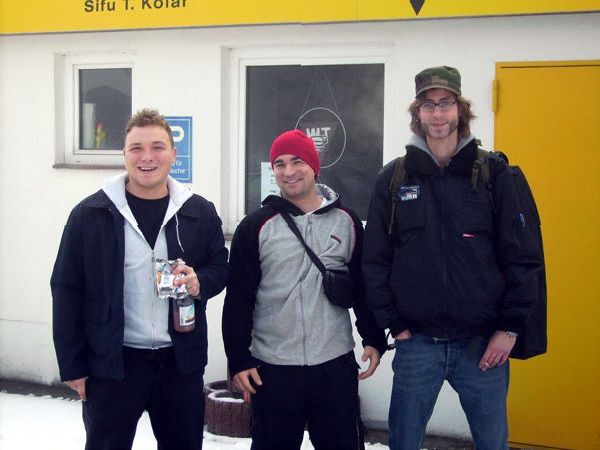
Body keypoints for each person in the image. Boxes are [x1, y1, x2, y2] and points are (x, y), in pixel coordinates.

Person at [362, 66, 542, 450]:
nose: (438, 113)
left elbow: (523, 258)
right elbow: (374, 260)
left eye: (446, 103)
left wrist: (509, 329)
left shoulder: (494, 174)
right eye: (428, 105)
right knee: (404, 443)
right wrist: (396, 325)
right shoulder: (394, 179)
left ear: (461, 109)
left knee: (492, 443)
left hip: (483, 346)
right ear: (418, 112)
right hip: (417, 344)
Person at [51, 108, 230, 450]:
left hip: (180, 362)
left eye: (157, 147)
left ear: (173, 154)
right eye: (136, 148)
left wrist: (200, 282)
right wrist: (72, 364)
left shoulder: (198, 211)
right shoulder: (90, 214)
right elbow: (66, 289)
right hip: (113, 364)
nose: (147, 157)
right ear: (124, 154)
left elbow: (220, 267)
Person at [222, 129, 387, 450]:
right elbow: (239, 299)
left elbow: (362, 287)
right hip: (273, 369)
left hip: (334, 365)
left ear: (314, 166)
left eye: (297, 161)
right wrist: (239, 358)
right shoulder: (254, 227)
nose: (289, 171)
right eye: (279, 164)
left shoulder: (347, 222)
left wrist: (373, 337)